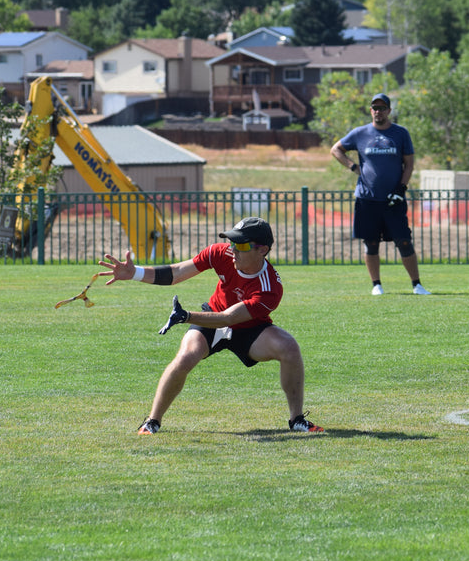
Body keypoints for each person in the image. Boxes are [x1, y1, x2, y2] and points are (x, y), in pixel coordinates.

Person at [98, 216, 324, 435]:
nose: (233, 249)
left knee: (289, 347)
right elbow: (177, 272)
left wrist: (185, 316)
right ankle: (152, 422)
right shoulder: (220, 253)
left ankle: (297, 420)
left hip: (248, 327)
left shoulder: (270, 287)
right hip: (213, 315)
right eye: (232, 242)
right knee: (186, 357)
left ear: (262, 250)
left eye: (241, 244)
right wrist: (134, 273)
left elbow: (228, 319)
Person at [330, 92, 431, 296]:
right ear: (370, 110)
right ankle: (376, 285)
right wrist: (352, 167)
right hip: (367, 198)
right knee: (371, 242)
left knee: (403, 241)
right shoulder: (360, 133)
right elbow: (336, 149)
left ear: (389, 111)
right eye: (375, 108)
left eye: (382, 108)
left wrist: (401, 188)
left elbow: (409, 164)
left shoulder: (400, 133)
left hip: (393, 199)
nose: (378, 111)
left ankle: (417, 285)